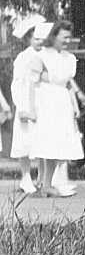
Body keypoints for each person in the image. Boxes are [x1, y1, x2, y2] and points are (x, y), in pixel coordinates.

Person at [23, 21, 85, 197]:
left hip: (62, 102)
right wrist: (31, 109)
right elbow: (32, 83)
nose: (67, 40)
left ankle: (46, 184)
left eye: (69, 37)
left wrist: (75, 105)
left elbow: (67, 84)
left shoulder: (68, 58)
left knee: (56, 145)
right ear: (54, 36)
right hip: (46, 101)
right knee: (48, 144)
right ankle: (45, 184)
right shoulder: (41, 56)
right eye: (64, 36)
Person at [10, 15, 51, 193]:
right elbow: (17, 83)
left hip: (42, 100)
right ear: (28, 39)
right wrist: (22, 106)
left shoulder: (47, 55)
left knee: (42, 141)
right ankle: (26, 177)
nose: (39, 41)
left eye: (42, 38)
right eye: (36, 38)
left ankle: (42, 177)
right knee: (24, 142)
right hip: (26, 100)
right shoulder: (22, 57)